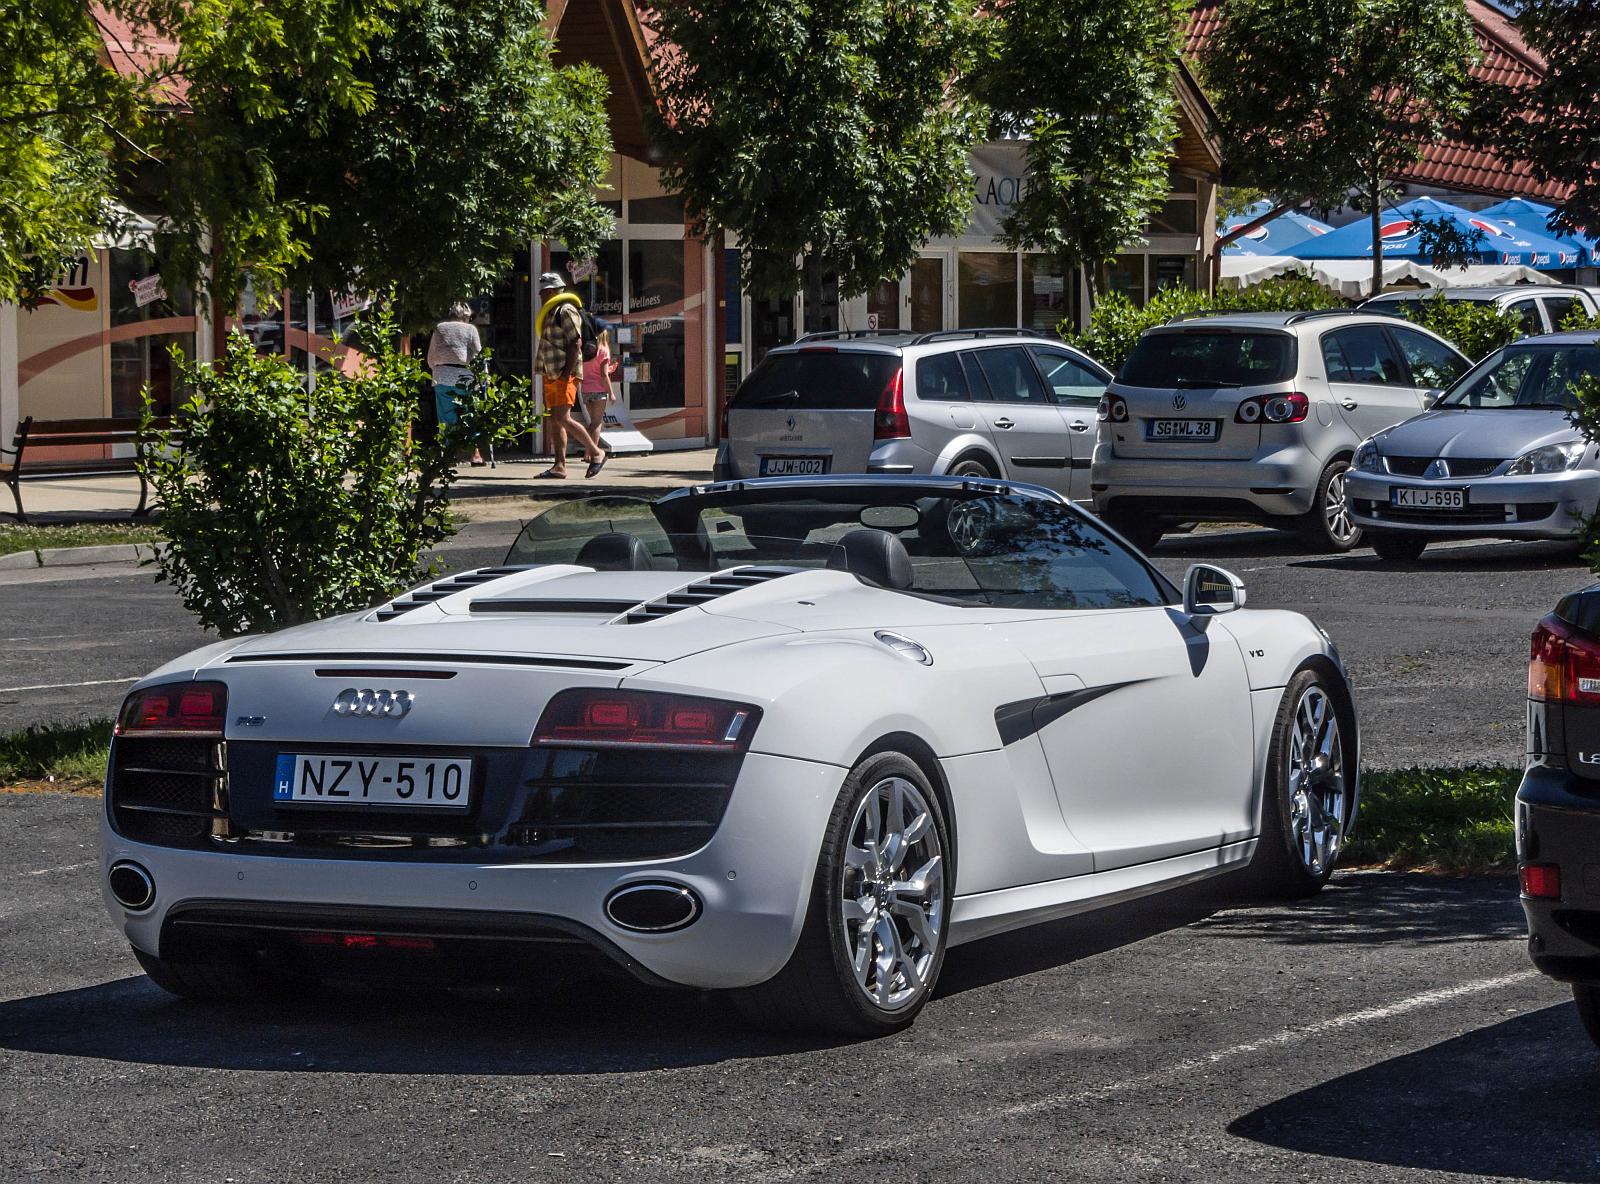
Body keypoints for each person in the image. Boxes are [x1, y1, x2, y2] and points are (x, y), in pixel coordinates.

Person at [535, 272, 605, 479]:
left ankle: (596, 452)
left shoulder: (565, 310)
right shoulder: (551, 312)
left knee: (562, 417)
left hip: (564, 373)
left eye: (542, 292)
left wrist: (567, 374)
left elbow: (576, 343)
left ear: (550, 291)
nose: (541, 296)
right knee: (555, 420)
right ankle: (559, 466)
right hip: (552, 372)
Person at [427, 302, 486, 466]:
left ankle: (447, 455)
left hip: (442, 377)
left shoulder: (440, 328)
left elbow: (431, 356)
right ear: (466, 316)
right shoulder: (470, 329)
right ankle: (475, 454)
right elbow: (478, 353)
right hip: (465, 377)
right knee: (469, 415)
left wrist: (437, 369)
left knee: (446, 418)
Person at [579, 321, 619, 455]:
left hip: (585, 389)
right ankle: (592, 453)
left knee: (592, 422)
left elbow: (591, 370)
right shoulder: (604, 350)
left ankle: (587, 451)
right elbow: (603, 375)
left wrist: (608, 369)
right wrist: (611, 393)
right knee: (597, 423)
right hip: (599, 390)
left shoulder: (588, 349)